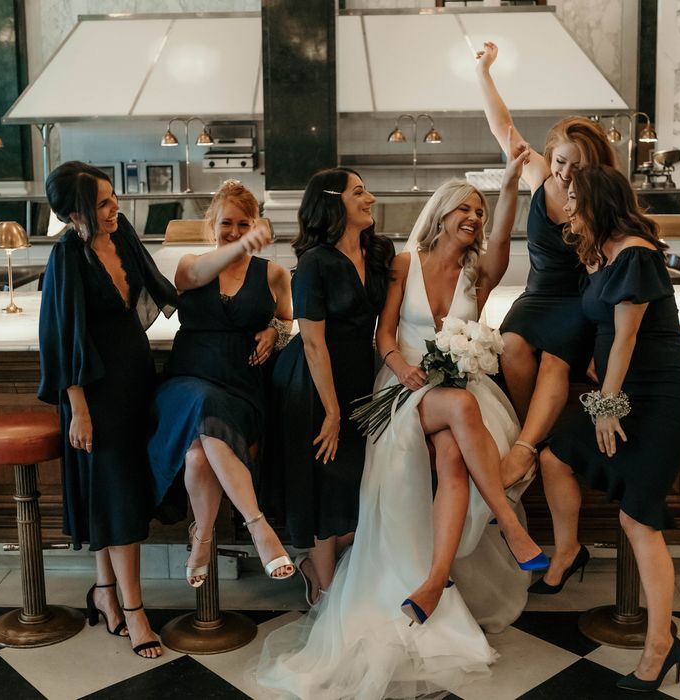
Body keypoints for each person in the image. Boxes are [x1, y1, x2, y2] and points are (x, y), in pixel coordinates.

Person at [256, 146, 544, 699]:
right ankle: (510, 525)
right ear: (439, 213)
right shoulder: (402, 263)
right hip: (401, 388)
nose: (474, 218)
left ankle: (434, 583)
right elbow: (382, 334)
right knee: (457, 413)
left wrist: (510, 184)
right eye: (465, 208)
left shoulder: (472, 273)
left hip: (454, 389)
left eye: (479, 213)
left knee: (456, 453)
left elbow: (504, 239)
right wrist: (403, 369)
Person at [535, 165, 680, 692]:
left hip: (660, 399)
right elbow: (604, 327)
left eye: (573, 197)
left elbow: (628, 337)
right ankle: (568, 550)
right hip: (622, 391)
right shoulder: (600, 251)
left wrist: (607, 403)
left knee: (638, 522)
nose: (566, 207)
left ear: (597, 201)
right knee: (554, 455)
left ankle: (659, 645)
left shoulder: (633, 250)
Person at [38, 161, 177, 659]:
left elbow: (161, 290)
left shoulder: (123, 236)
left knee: (115, 487)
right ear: (76, 213)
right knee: (117, 494)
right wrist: (78, 408)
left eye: (112, 196)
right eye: (102, 202)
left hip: (135, 376)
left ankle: (105, 591)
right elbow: (60, 339)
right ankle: (136, 612)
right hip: (93, 391)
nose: (115, 206)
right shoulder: (66, 258)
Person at [476, 41, 618, 493]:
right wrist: (483, 71)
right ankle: (532, 437)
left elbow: (629, 261)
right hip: (539, 295)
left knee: (556, 360)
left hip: (582, 301)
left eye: (578, 167)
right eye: (560, 162)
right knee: (512, 345)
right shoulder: (538, 175)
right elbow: (503, 126)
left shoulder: (603, 201)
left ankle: (526, 448)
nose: (566, 174)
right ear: (550, 155)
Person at [147, 180, 295, 585]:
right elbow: (195, 274)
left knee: (198, 455)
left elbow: (287, 321)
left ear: (254, 224)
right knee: (204, 403)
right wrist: (246, 243)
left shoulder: (275, 274)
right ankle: (258, 526)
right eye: (226, 223)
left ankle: (203, 535)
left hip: (243, 390)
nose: (233, 231)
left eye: (242, 224)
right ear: (211, 224)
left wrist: (273, 334)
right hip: (187, 381)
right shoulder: (190, 264)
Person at [271, 167, 394, 604]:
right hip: (313, 384)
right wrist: (332, 411)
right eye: (359, 191)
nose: (371, 198)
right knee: (323, 477)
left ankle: (325, 565)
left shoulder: (379, 251)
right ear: (332, 202)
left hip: (360, 376)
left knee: (351, 479)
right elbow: (313, 344)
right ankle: (322, 589)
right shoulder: (314, 264)